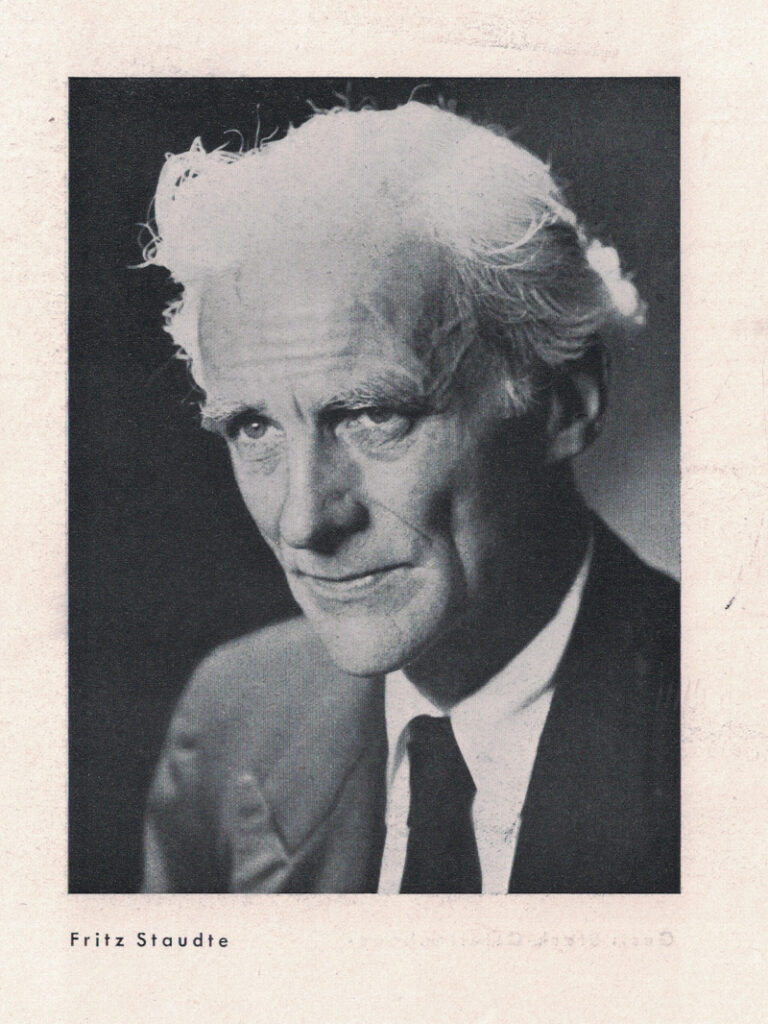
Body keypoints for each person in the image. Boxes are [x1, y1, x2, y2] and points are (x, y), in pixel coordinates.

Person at [140, 100, 679, 894]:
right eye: (254, 428)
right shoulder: (234, 714)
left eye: (373, 416)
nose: (304, 520)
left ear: (565, 405)